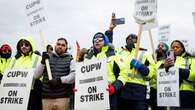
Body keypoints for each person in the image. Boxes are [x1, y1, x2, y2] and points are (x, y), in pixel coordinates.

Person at [85, 32, 127, 110]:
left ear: (106, 42)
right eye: (95, 40)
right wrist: (80, 88)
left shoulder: (113, 55)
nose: (97, 41)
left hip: (109, 93)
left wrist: (114, 87)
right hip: (91, 95)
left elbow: (124, 74)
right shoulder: (88, 58)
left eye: (100, 40)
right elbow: (83, 76)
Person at [116, 34, 156, 110]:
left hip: (138, 90)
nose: (131, 38)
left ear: (138, 41)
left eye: (133, 38)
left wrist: (141, 66)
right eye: (129, 37)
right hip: (122, 88)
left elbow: (151, 73)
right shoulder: (119, 52)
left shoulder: (145, 53)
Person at [34, 37, 75, 110]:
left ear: (66, 48)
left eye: (63, 45)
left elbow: (73, 76)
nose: (60, 46)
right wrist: (42, 62)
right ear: (55, 45)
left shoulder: (70, 60)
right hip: (46, 98)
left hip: (63, 98)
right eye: (58, 44)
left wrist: (60, 80)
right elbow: (36, 75)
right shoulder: (47, 58)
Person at [8, 37, 42, 110]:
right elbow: (8, 74)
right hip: (16, 93)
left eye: (26, 44)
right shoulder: (14, 59)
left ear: (31, 46)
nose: (23, 46)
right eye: (21, 45)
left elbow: (41, 75)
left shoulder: (38, 58)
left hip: (32, 92)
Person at [164, 40, 195, 109]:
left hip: (187, 95)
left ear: (182, 49)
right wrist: (165, 69)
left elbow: (193, 75)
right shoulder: (166, 62)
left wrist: (176, 69)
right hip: (171, 94)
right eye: (172, 47)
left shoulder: (191, 60)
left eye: (177, 47)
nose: (174, 49)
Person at [148, 42, 169, 110]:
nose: (160, 47)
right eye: (159, 46)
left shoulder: (167, 60)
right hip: (153, 89)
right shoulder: (154, 60)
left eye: (162, 46)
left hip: (163, 90)